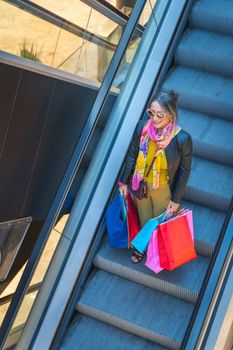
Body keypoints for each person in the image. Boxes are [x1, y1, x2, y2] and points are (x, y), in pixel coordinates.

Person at [119, 90, 192, 263]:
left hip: (162, 189)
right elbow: (132, 155)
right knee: (144, 217)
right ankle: (142, 247)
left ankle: (156, 248)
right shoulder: (142, 128)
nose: (155, 118)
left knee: (158, 220)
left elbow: (184, 171)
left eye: (160, 114)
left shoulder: (182, 139)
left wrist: (175, 199)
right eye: (151, 113)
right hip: (139, 183)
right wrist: (123, 181)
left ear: (171, 116)